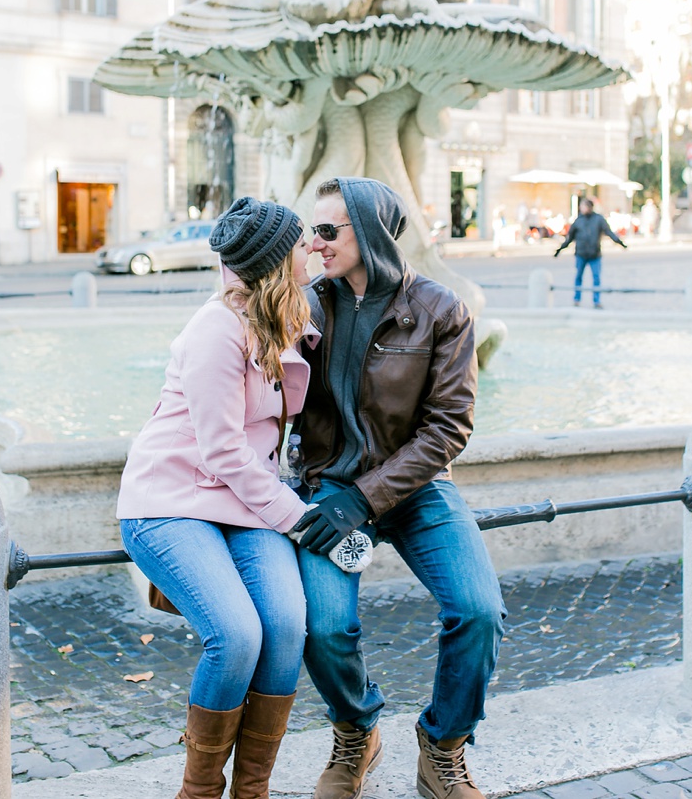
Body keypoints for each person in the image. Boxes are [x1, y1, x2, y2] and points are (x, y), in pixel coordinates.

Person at [293, 177, 503, 799]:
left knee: (478, 610)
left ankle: (443, 745)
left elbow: (448, 427)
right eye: (313, 231)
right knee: (324, 627)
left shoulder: (443, 309)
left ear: (373, 233)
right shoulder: (306, 304)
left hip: (415, 487)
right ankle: (357, 730)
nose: (316, 243)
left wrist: (366, 497)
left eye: (329, 231)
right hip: (328, 489)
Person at [117, 197, 316, 799]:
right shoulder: (215, 328)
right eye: (304, 241)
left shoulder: (288, 314)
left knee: (285, 626)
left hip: (244, 503)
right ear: (279, 260)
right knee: (236, 635)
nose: (314, 248)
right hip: (172, 501)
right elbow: (224, 451)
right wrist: (299, 518)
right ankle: (199, 792)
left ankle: (250, 792)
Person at [553, 198, 628, 308]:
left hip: (594, 254)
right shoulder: (578, 221)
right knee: (578, 276)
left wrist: (620, 243)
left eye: (583, 206)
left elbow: (609, 232)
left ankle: (596, 300)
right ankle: (576, 298)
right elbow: (569, 238)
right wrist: (559, 250)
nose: (581, 208)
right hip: (581, 254)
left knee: (596, 278)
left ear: (589, 207)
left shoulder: (598, 219)